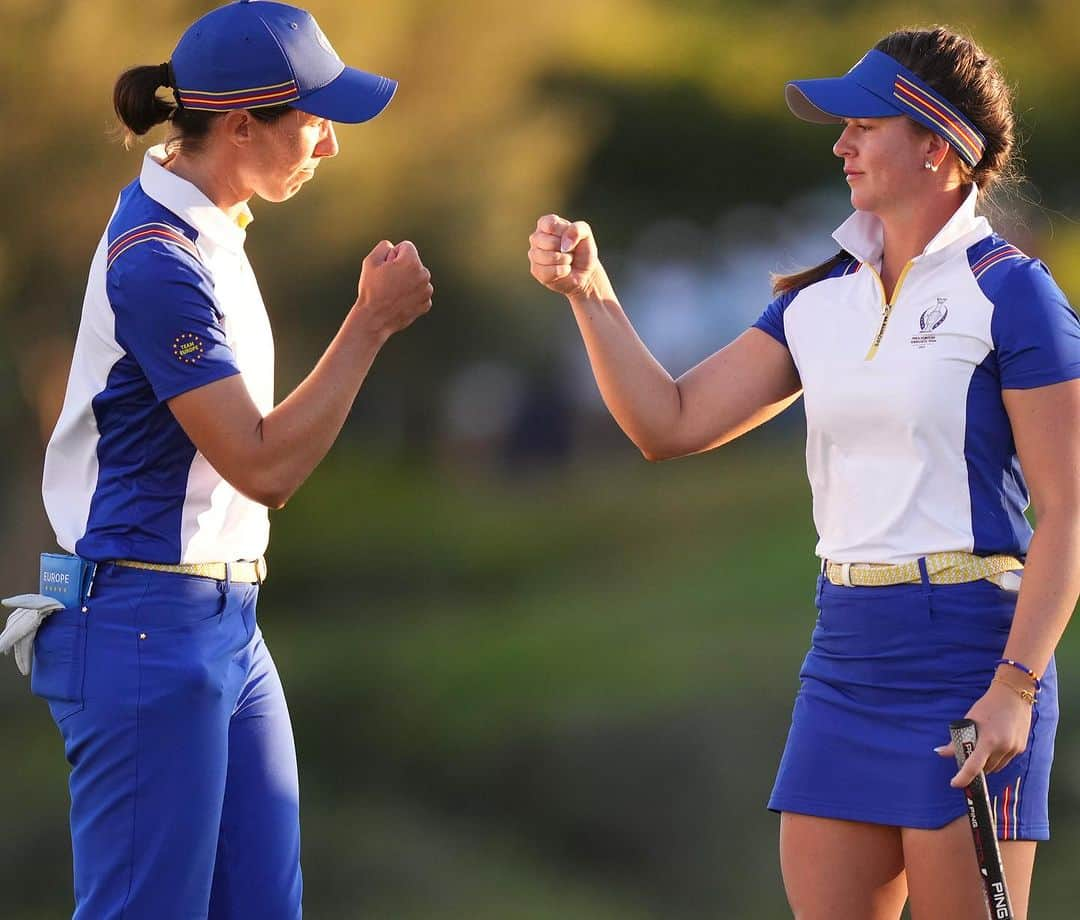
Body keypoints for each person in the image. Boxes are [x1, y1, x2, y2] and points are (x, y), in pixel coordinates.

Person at [528, 26, 1080, 920]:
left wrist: (1015, 686)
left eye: (863, 123)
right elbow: (669, 423)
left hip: (972, 657)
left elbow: (1068, 511)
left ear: (937, 145)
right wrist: (592, 296)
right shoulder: (815, 300)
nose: (841, 144)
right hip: (847, 657)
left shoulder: (1013, 294)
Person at [0, 2, 432, 917]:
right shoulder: (159, 260)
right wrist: (370, 323)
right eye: (315, 121)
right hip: (144, 622)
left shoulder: (205, 223)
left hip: (221, 617)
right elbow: (262, 466)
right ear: (240, 124)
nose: (330, 146)